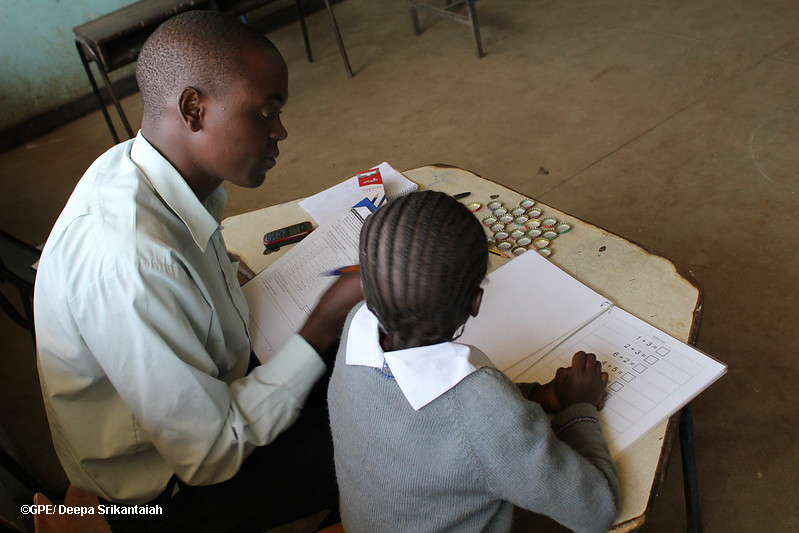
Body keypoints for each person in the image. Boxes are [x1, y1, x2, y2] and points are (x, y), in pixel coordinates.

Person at [34, 10, 361, 532]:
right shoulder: (130, 262)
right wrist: (324, 317)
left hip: (207, 391)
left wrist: (229, 273)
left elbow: (190, 264)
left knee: (355, 356)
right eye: (265, 111)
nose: (281, 130)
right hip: (164, 495)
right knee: (389, 421)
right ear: (193, 108)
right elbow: (208, 456)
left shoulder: (145, 167)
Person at [327, 190, 620, 533]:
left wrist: (538, 396)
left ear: (365, 285)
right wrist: (578, 408)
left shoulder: (355, 327)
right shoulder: (479, 405)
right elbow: (596, 511)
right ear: (475, 302)